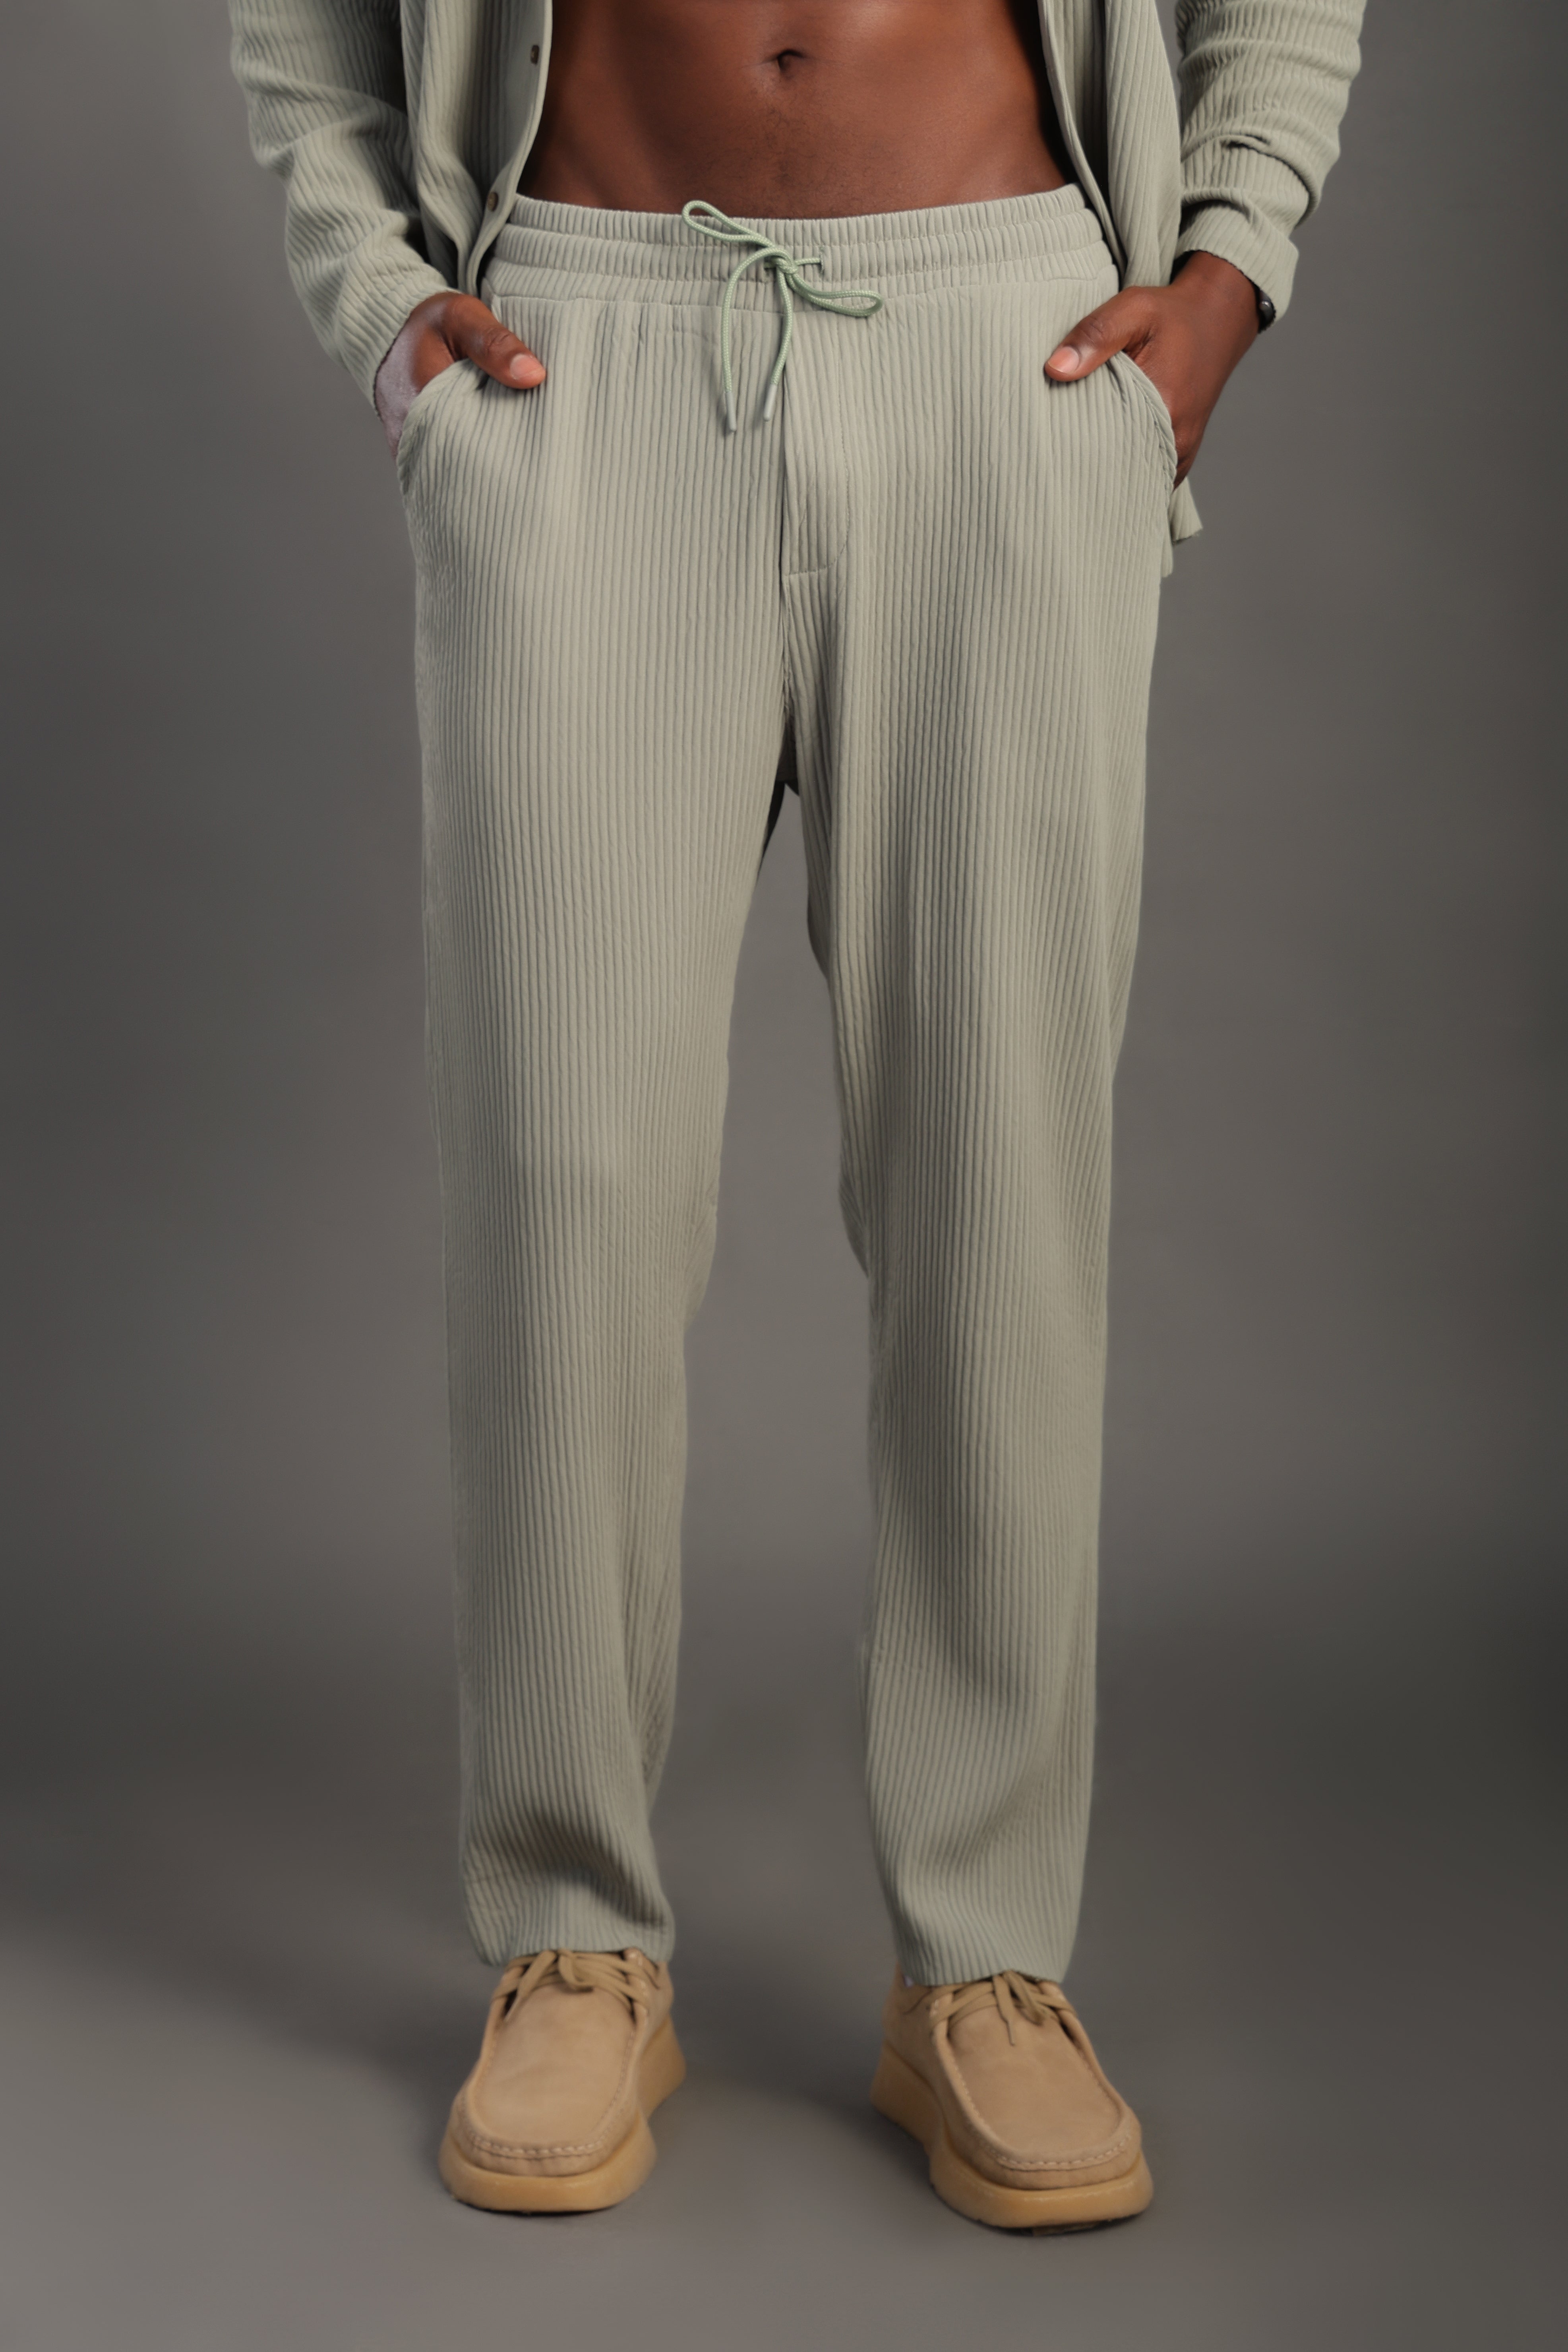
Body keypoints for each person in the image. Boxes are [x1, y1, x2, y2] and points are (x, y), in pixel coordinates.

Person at [227, 0, 1361, 2230]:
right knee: (562, 1184)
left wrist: (1227, 275)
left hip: (1004, 348)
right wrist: (382, 308)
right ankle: (574, 1932)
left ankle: (988, 1961)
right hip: (582, 345)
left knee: (996, 1188)